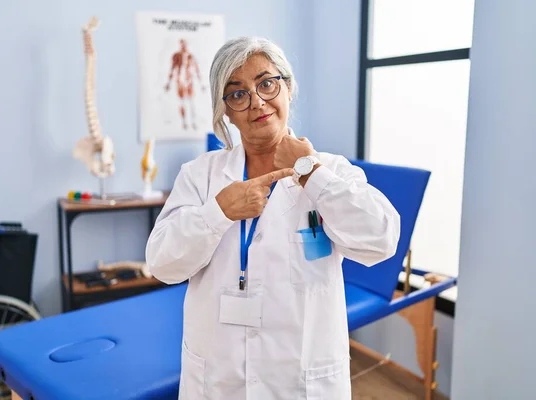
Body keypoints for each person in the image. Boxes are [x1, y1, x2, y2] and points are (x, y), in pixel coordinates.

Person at [145, 36, 400, 400]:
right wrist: (218, 212)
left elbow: (382, 240)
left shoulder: (332, 169)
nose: (257, 102)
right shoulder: (200, 176)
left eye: (266, 83)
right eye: (238, 94)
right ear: (226, 112)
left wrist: (310, 172)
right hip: (219, 379)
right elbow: (162, 264)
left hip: (300, 380)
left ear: (288, 87)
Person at [164, 38, 206, 130]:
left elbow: (197, 70)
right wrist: (168, 83)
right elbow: (172, 69)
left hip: (189, 81)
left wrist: (201, 83)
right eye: (182, 44)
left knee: (191, 103)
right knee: (182, 102)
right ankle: (184, 122)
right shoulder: (176, 56)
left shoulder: (191, 56)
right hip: (180, 81)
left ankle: (193, 122)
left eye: (185, 44)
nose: (184, 46)